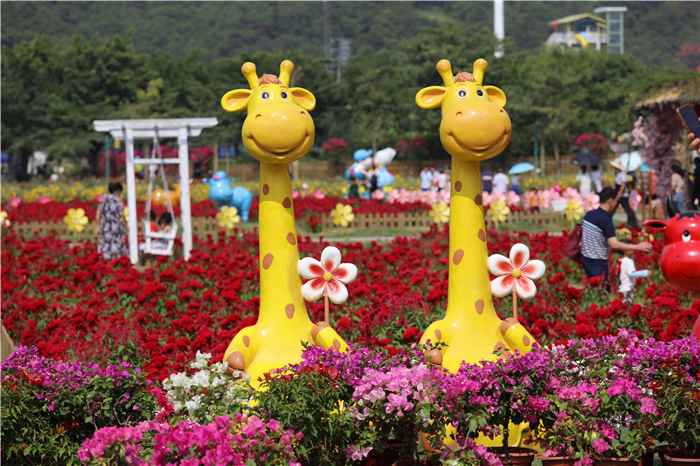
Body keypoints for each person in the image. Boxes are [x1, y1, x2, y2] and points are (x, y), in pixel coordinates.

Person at [580, 187, 652, 291]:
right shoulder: (605, 220)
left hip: (586, 259)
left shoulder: (589, 214)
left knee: (594, 289)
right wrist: (637, 246)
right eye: (616, 201)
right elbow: (614, 243)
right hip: (597, 263)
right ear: (610, 201)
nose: (617, 205)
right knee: (602, 293)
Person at [96, 182, 128, 260]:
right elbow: (121, 213)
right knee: (116, 243)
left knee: (105, 243)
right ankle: (116, 259)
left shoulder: (104, 198)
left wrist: (98, 225)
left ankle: (105, 259)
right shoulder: (118, 199)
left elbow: (98, 213)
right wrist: (125, 222)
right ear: (118, 190)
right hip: (115, 226)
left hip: (105, 226)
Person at [616, 239, 638, 306]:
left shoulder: (620, 261)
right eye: (631, 248)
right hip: (627, 289)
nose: (633, 250)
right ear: (627, 251)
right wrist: (645, 273)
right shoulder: (629, 261)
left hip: (621, 288)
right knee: (628, 306)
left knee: (623, 305)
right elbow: (632, 274)